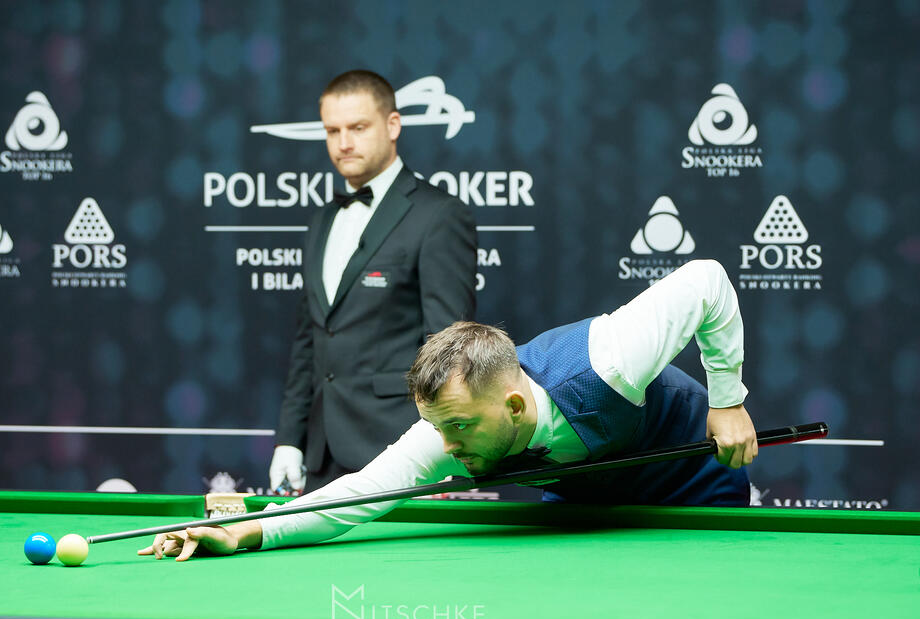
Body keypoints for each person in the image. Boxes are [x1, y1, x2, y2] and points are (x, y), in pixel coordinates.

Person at [141, 259, 759, 562]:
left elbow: (706, 281)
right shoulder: (451, 430)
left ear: (513, 405)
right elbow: (357, 494)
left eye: (458, 426)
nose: (447, 444)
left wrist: (728, 400)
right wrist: (246, 531)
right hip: (586, 502)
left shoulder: (608, 359)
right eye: (438, 426)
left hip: (690, 475)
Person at [269, 69, 477, 494]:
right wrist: (289, 439)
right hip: (321, 455)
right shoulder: (322, 220)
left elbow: (449, 348)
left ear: (393, 125)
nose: (343, 143)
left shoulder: (439, 215)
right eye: (332, 131)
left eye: (358, 127)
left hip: (398, 454)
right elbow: (310, 341)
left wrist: (441, 446)